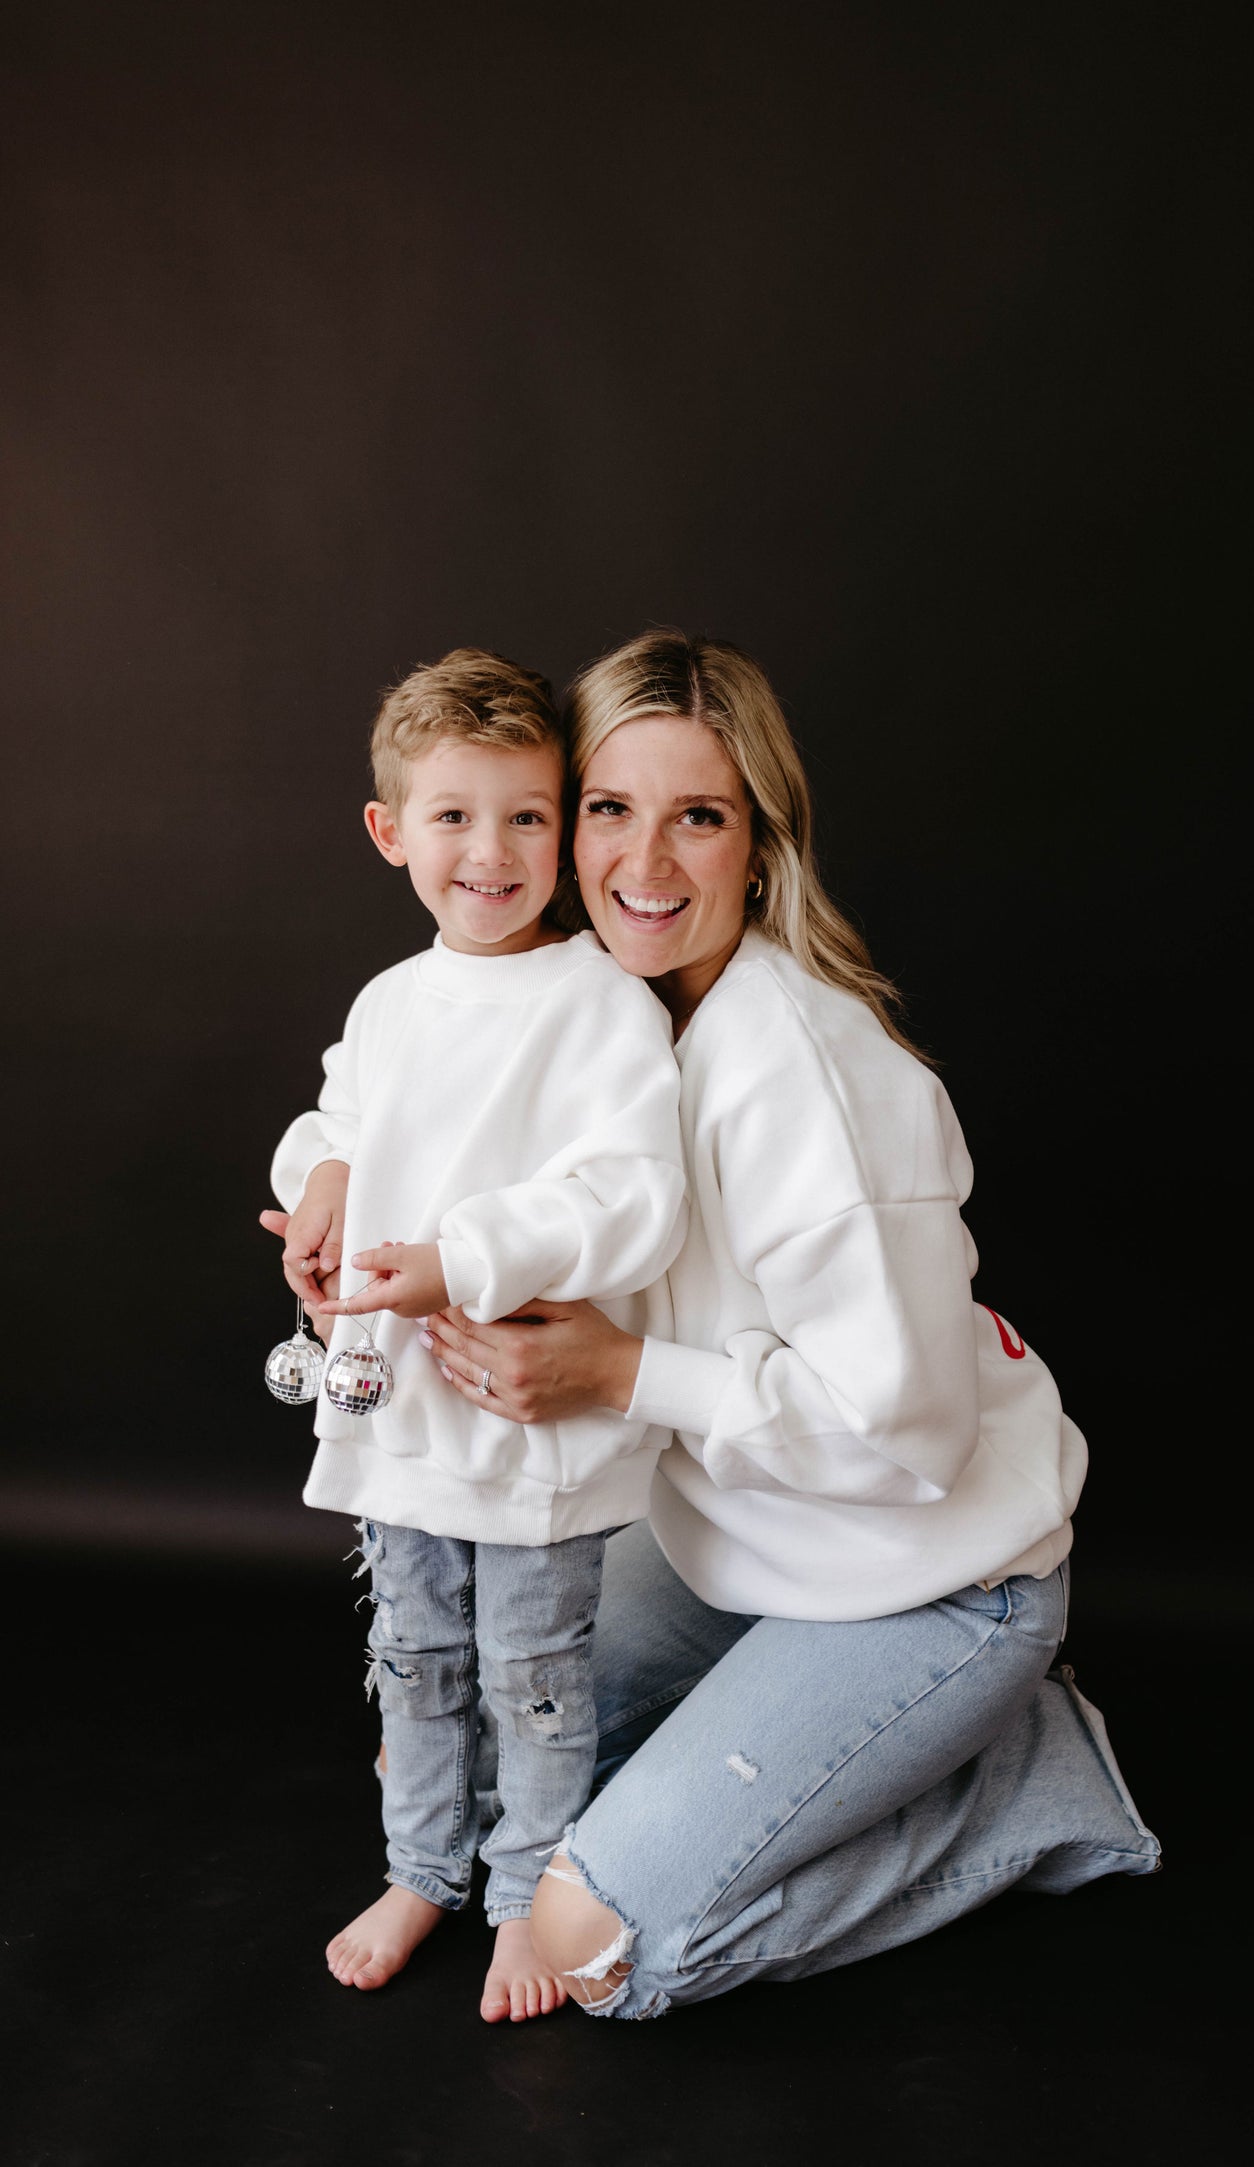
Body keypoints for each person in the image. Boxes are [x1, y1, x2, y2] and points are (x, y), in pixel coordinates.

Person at [420, 631, 1160, 2018]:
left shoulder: (807, 1076)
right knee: (464, 1776)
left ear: (760, 845)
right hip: (744, 1545)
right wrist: (342, 1210)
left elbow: (910, 1438)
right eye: (609, 808)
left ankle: (1021, 1778)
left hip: (930, 1577)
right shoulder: (603, 1019)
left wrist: (619, 1370)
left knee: (590, 1949)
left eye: (698, 817)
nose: (645, 862)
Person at [261, 648, 687, 2021]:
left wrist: (461, 1259)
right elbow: (341, 1115)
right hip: (401, 1416)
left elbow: (632, 1202)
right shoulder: (392, 1000)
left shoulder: (599, 1005)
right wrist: (320, 1178)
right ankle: (424, 1869)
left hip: (523, 1418)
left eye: (526, 817)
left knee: (536, 1675)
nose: (491, 852)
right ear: (391, 832)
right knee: (414, 1659)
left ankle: (522, 1894)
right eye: (454, 816)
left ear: (564, 829)